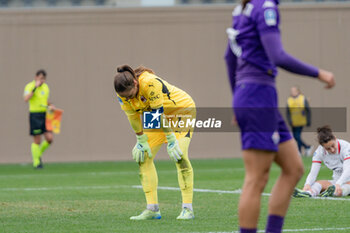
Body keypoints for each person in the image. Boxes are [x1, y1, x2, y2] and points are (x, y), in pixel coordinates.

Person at [224, 0, 335, 232]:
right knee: (256, 179)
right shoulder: (265, 7)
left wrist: (238, 99)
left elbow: (229, 57)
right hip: (257, 97)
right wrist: (319, 73)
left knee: (294, 168)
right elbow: (277, 55)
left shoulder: (244, 8)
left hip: (256, 97)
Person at [114, 65, 196, 220]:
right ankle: (152, 209)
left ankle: (188, 209)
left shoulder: (150, 83)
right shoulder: (122, 93)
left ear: (135, 84)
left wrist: (171, 140)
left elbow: (159, 114)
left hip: (181, 111)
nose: (129, 99)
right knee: (144, 157)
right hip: (156, 115)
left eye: (131, 95)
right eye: (126, 97)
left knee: (180, 156)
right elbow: (132, 116)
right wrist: (140, 139)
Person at [293, 126, 350, 198]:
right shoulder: (319, 152)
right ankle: (308, 193)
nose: (332, 150)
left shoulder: (346, 147)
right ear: (322, 147)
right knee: (317, 184)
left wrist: (338, 184)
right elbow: (313, 172)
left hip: (344, 181)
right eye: (328, 148)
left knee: (343, 188)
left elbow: (348, 170)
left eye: (333, 145)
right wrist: (307, 184)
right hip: (337, 181)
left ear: (335, 138)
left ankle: (335, 193)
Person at [23, 69, 55, 169]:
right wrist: (35, 88)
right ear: (36, 77)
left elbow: (45, 100)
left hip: (45, 114)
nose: (42, 81)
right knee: (37, 140)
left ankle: (37, 154)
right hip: (35, 115)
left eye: (43, 79)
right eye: (40, 78)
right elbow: (26, 99)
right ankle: (37, 163)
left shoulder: (46, 87)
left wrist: (51, 105)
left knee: (50, 138)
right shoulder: (30, 86)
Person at [286, 86, 313, 156]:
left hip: (301, 121)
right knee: (296, 137)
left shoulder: (302, 98)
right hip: (293, 122)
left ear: (298, 91)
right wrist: (289, 121)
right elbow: (288, 112)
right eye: (291, 91)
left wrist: (308, 121)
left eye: (294, 91)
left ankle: (303, 149)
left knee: (297, 136)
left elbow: (308, 110)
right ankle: (305, 148)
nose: (292, 92)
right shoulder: (289, 100)